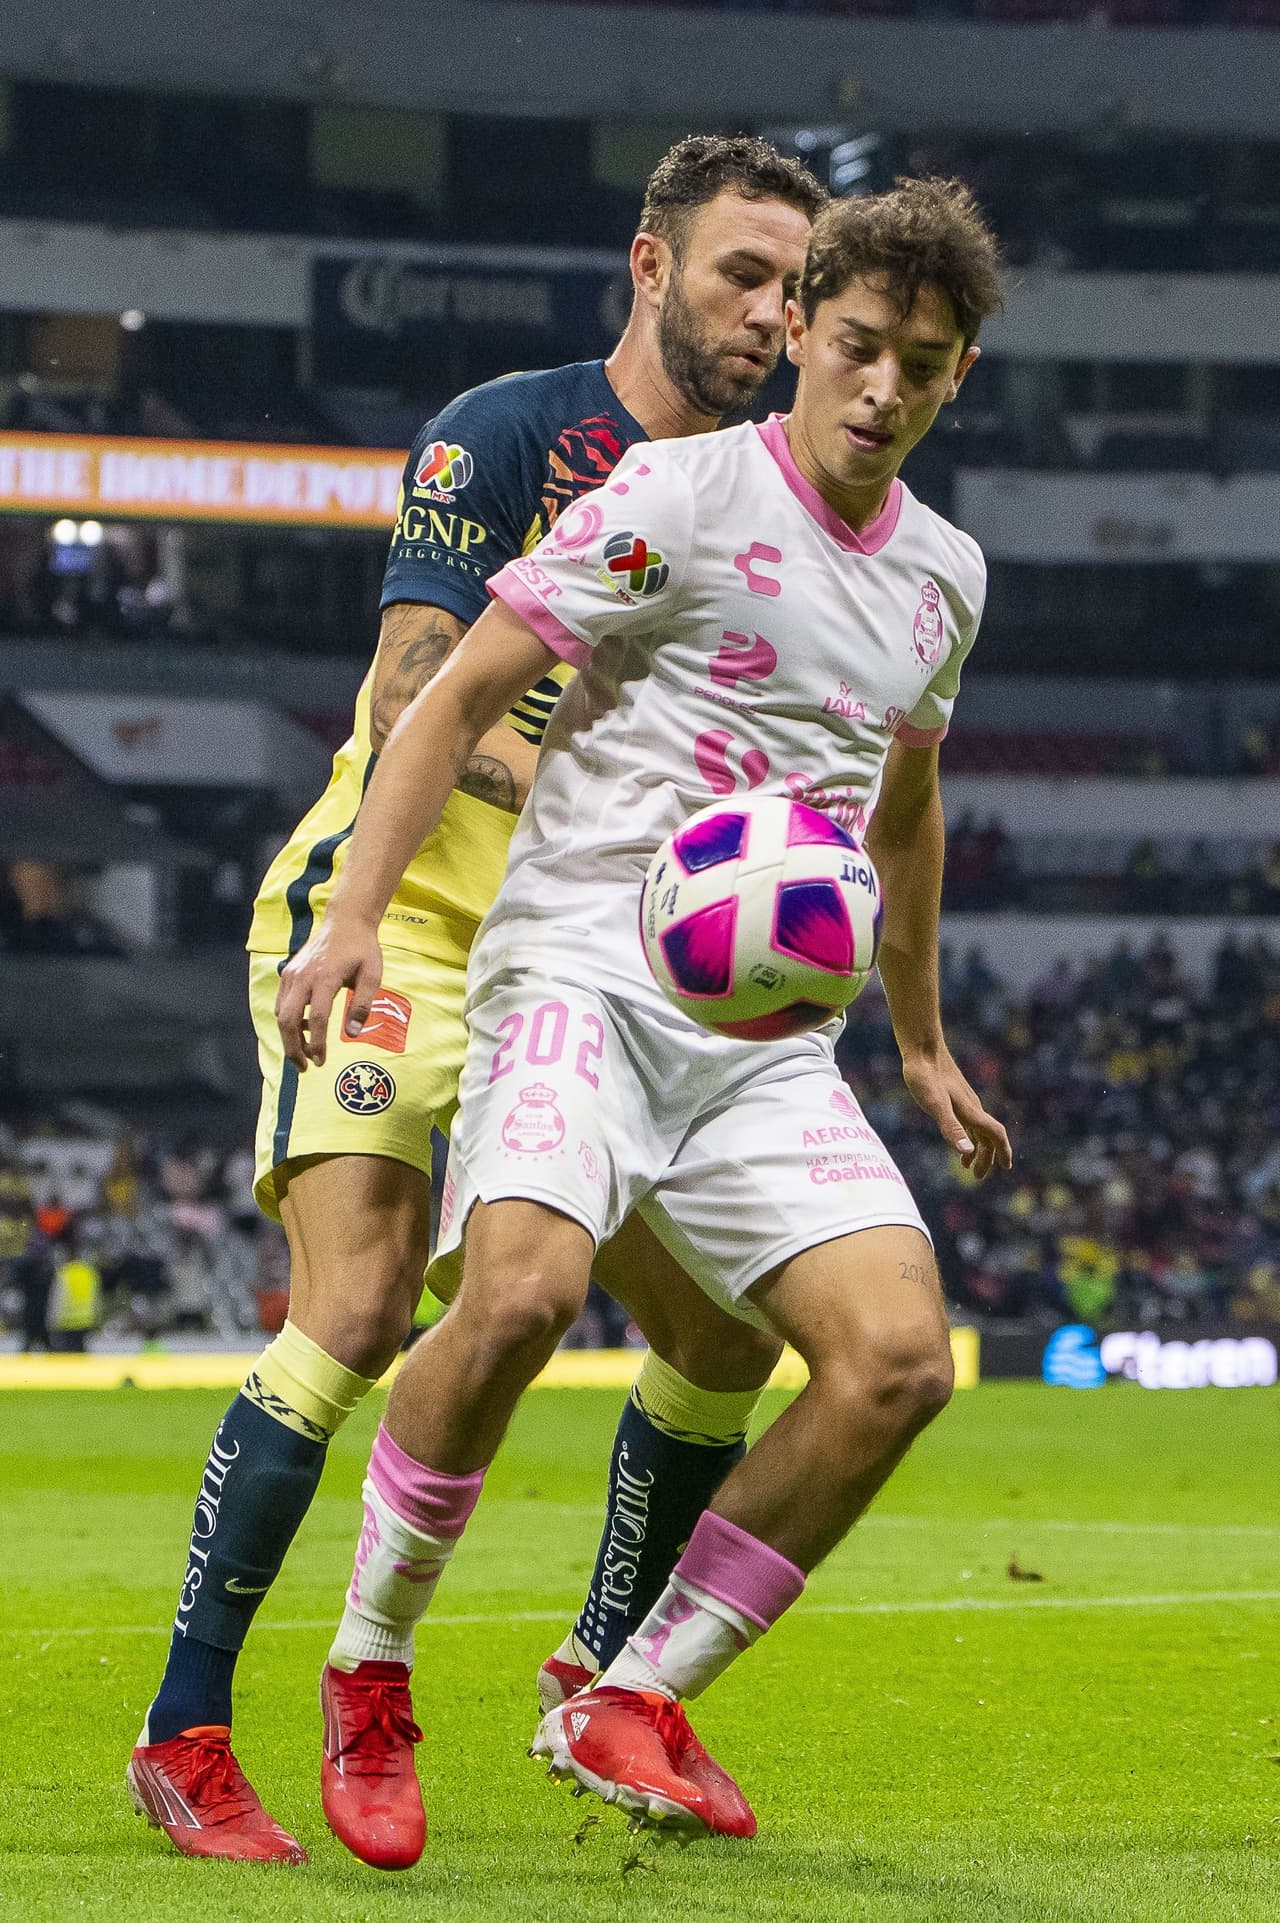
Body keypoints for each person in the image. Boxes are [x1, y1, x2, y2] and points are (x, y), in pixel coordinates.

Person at [275, 175, 1012, 1864]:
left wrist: (918, 1039)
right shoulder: (675, 494)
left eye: (920, 365)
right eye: (855, 345)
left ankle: (634, 1694)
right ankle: (370, 1667)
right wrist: (359, 912)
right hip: (583, 973)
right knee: (524, 1296)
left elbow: (905, 807)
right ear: (804, 328)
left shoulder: (946, 575)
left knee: (901, 1362)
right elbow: (457, 691)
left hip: (765, 1043)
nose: (881, 388)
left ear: (958, 373)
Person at [126, 135, 825, 1865]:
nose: (775, 314)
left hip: (598, 960)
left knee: (724, 1337)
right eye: (743, 272)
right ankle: (186, 1732)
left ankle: (604, 1677)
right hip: (412, 922)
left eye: (799, 289)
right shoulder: (504, 436)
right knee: (359, 1301)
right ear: (650, 267)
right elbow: (414, 683)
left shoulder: (774, 500)